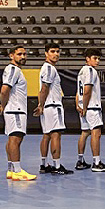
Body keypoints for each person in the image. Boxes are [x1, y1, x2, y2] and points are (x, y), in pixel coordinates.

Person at [0, 46, 36, 181]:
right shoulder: (13, 70)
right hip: (16, 110)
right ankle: (18, 171)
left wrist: (4, 105)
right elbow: (4, 90)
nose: (23, 57)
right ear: (11, 55)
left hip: (13, 109)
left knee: (12, 139)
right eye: (19, 54)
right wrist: (3, 104)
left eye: (25, 54)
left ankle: (11, 169)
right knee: (15, 139)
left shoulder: (15, 70)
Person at [35, 43, 72, 175]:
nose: (56, 54)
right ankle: (56, 166)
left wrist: (41, 105)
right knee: (56, 135)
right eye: (52, 51)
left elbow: (41, 90)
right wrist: (41, 105)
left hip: (47, 107)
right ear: (46, 53)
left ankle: (44, 164)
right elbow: (44, 88)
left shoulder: (44, 68)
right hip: (53, 106)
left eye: (57, 51)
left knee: (46, 135)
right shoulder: (50, 69)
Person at [75, 49, 105, 172]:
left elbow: (78, 92)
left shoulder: (81, 71)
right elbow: (87, 90)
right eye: (95, 58)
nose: (97, 61)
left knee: (84, 133)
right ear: (87, 58)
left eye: (98, 58)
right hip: (91, 107)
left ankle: (80, 161)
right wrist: (85, 107)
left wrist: (78, 105)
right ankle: (96, 163)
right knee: (96, 134)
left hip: (82, 106)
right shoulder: (91, 71)